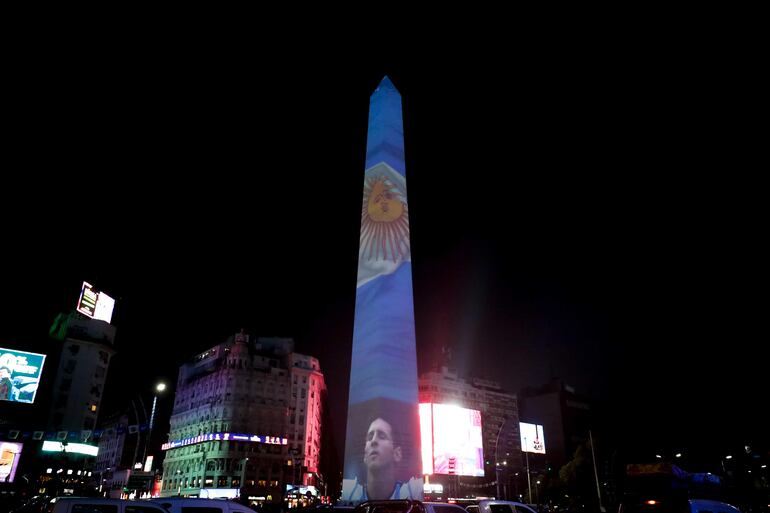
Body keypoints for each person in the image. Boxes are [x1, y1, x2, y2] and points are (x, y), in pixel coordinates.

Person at [341, 416, 421, 501]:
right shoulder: (348, 491)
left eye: (382, 436)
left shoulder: (413, 492)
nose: (373, 441)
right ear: (365, 455)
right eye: (370, 437)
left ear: (397, 453)